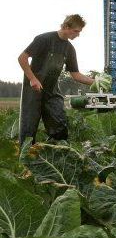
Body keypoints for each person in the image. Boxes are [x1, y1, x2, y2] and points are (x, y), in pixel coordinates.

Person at [17, 14, 95, 145]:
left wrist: (95, 82)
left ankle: (55, 153)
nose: (78, 35)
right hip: (33, 89)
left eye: (79, 32)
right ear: (65, 26)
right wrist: (33, 79)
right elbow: (22, 58)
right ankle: (25, 159)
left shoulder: (69, 48)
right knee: (29, 126)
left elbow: (75, 74)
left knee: (59, 124)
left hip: (51, 90)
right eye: (76, 31)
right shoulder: (44, 39)